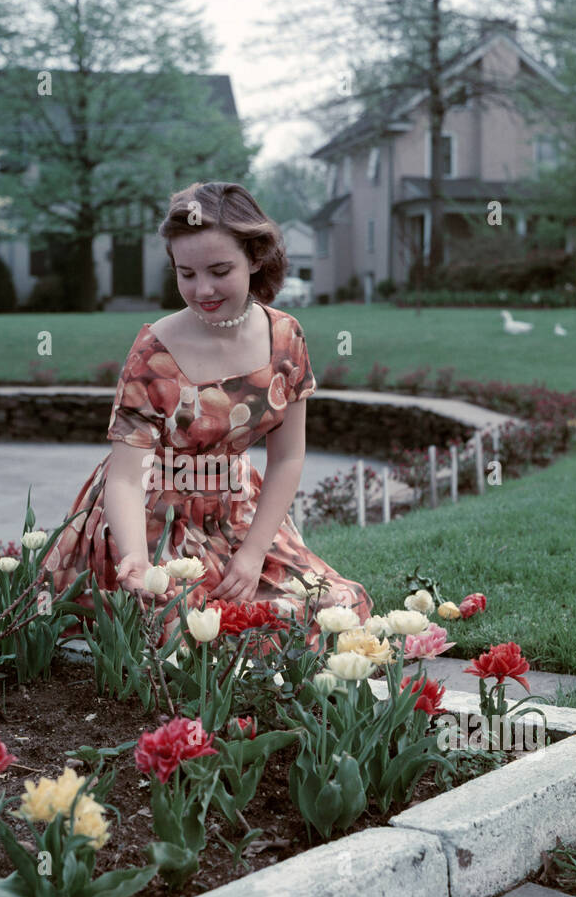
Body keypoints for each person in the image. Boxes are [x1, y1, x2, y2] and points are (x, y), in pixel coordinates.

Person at [36, 180, 372, 651]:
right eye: (186, 273)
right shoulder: (155, 349)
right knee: (186, 629)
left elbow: (288, 459)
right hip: (153, 517)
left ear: (255, 258)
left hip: (239, 515)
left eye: (219, 270)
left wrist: (254, 554)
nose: (203, 289)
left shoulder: (286, 338)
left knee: (337, 605)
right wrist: (134, 557)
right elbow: (127, 477)